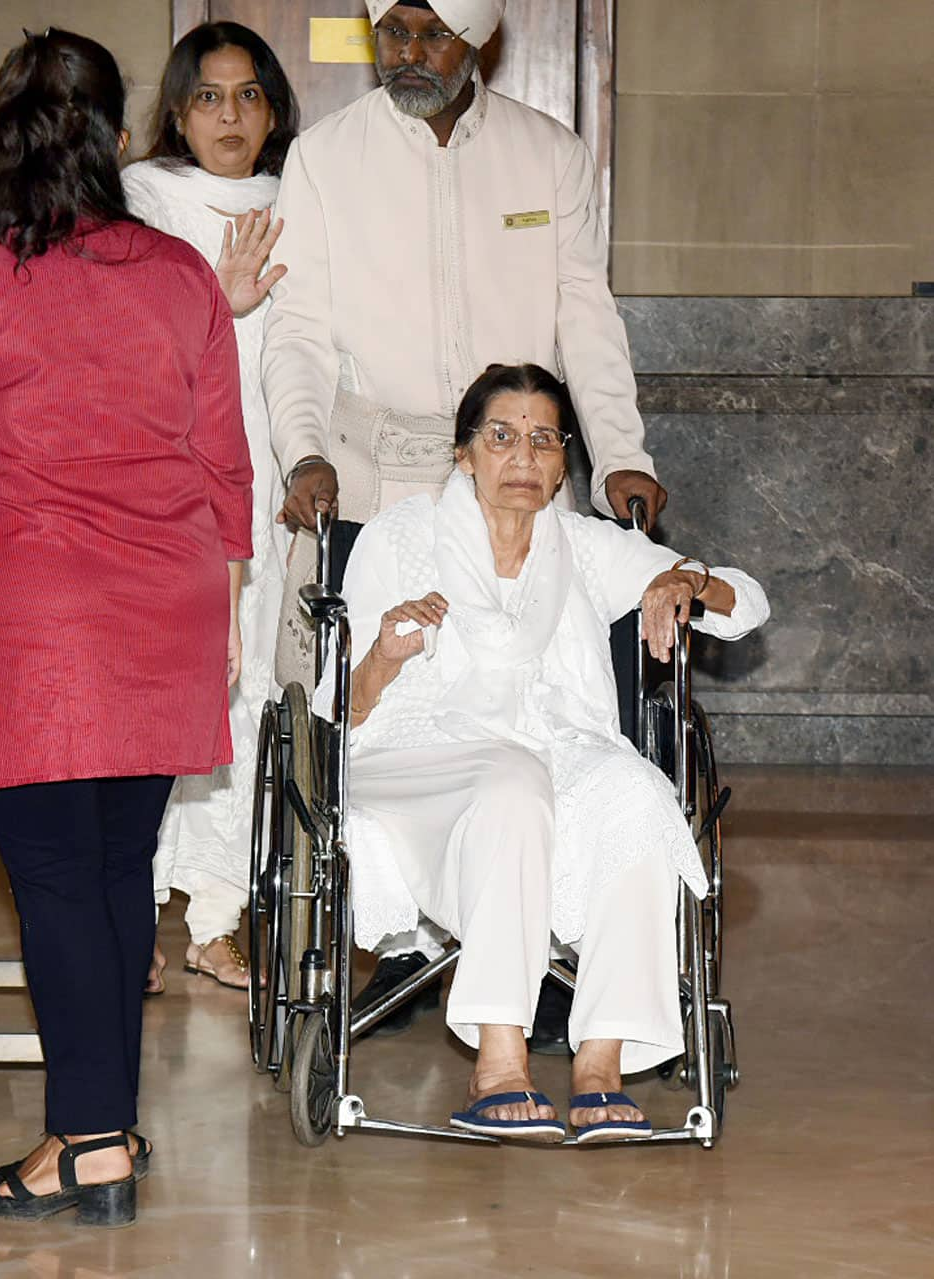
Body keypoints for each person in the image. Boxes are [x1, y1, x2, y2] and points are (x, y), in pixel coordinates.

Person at [0, 29, 252, 1224]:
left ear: (0, 139)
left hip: (29, 617)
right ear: (121, 141)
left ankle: (86, 1141)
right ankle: (108, 1131)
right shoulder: (183, 277)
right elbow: (225, 466)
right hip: (163, 606)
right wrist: (225, 613)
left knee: (54, 882)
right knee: (115, 868)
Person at [263, 0, 667, 1028]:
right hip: (374, 473)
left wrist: (620, 456)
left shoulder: (547, 154)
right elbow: (298, 328)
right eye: (390, 34)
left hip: (519, 481)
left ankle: (534, 942)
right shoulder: (325, 156)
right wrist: (304, 448)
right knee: (383, 705)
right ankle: (403, 939)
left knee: (538, 710)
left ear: (477, 38)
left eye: (429, 36)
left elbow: (587, 316)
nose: (406, 57)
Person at [312, 362, 768, 1139]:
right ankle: (499, 1061)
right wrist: (385, 653)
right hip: (412, 753)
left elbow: (747, 601)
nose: (523, 456)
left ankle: (599, 1063)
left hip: (556, 750)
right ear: (463, 454)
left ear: (564, 462)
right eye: (500, 436)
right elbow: (336, 710)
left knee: (633, 789)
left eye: (543, 439)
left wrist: (682, 579)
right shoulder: (400, 537)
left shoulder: (585, 548)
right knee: (510, 778)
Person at [122, 22, 297, 993]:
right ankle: (135, 913)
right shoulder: (142, 201)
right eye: (208, 98)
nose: (229, 116)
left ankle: (218, 916)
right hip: (172, 482)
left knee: (252, 698)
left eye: (247, 96)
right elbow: (122, 338)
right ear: (179, 112)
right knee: (169, 700)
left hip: (269, 480)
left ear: (271, 107)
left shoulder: (301, 197)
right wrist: (213, 309)